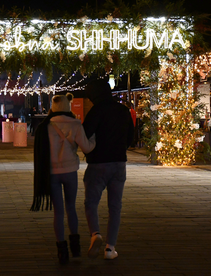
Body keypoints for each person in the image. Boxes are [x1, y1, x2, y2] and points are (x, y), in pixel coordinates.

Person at [31, 93, 96, 265]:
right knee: (71, 208)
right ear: (68, 105)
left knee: (58, 212)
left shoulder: (46, 125)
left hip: (51, 172)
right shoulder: (75, 124)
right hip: (70, 171)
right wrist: (94, 138)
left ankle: (62, 250)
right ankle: (75, 247)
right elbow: (87, 148)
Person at [82, 79, 134, 260]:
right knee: (115, 206)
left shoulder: (96, 111)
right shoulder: (123, 110)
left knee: (91, 202)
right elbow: (131, 136)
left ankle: (95, 233)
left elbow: (85, 134)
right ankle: (110, 248)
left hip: (98, 163)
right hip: (119, 163)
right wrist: (120, 148)